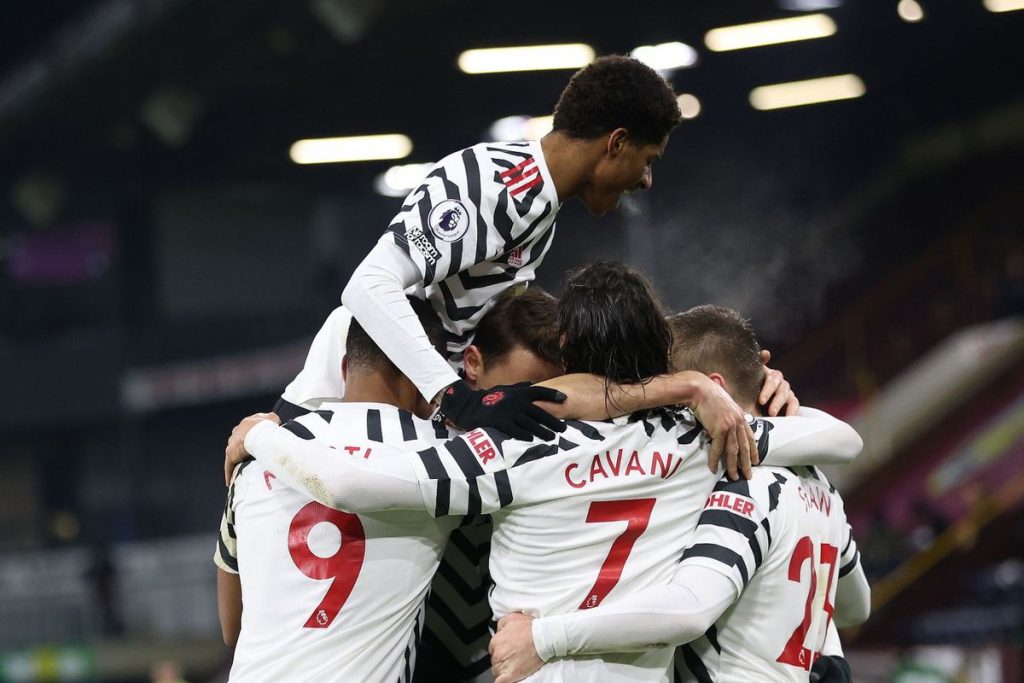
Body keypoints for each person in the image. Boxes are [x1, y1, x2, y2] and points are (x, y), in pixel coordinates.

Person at [226, 263, 862, 682]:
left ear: (567, 353)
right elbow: (840, 438)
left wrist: (263, 437)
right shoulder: (702, 440)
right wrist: (728, 394)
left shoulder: (509, 449)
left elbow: (348, 484)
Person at [275, 55, 684, 441]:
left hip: (408, 409)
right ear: (616, 143)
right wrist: (455, 397)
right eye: (649, 159)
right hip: (340, 401)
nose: (646, 179)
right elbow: (367, 285)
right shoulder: (486, 187)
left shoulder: (540, 209)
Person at [487, 305, 871, 683]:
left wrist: (542, 638)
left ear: (714, 389)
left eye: (676, 396)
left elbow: (690, 609)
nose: (661, 410)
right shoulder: (823, 487)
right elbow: (856, 605)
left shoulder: (745, 481)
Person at [214, 299, 459, 682]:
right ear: (426, 380)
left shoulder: (253, 453)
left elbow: (232, 626)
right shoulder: (444, 457)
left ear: (344, 369)